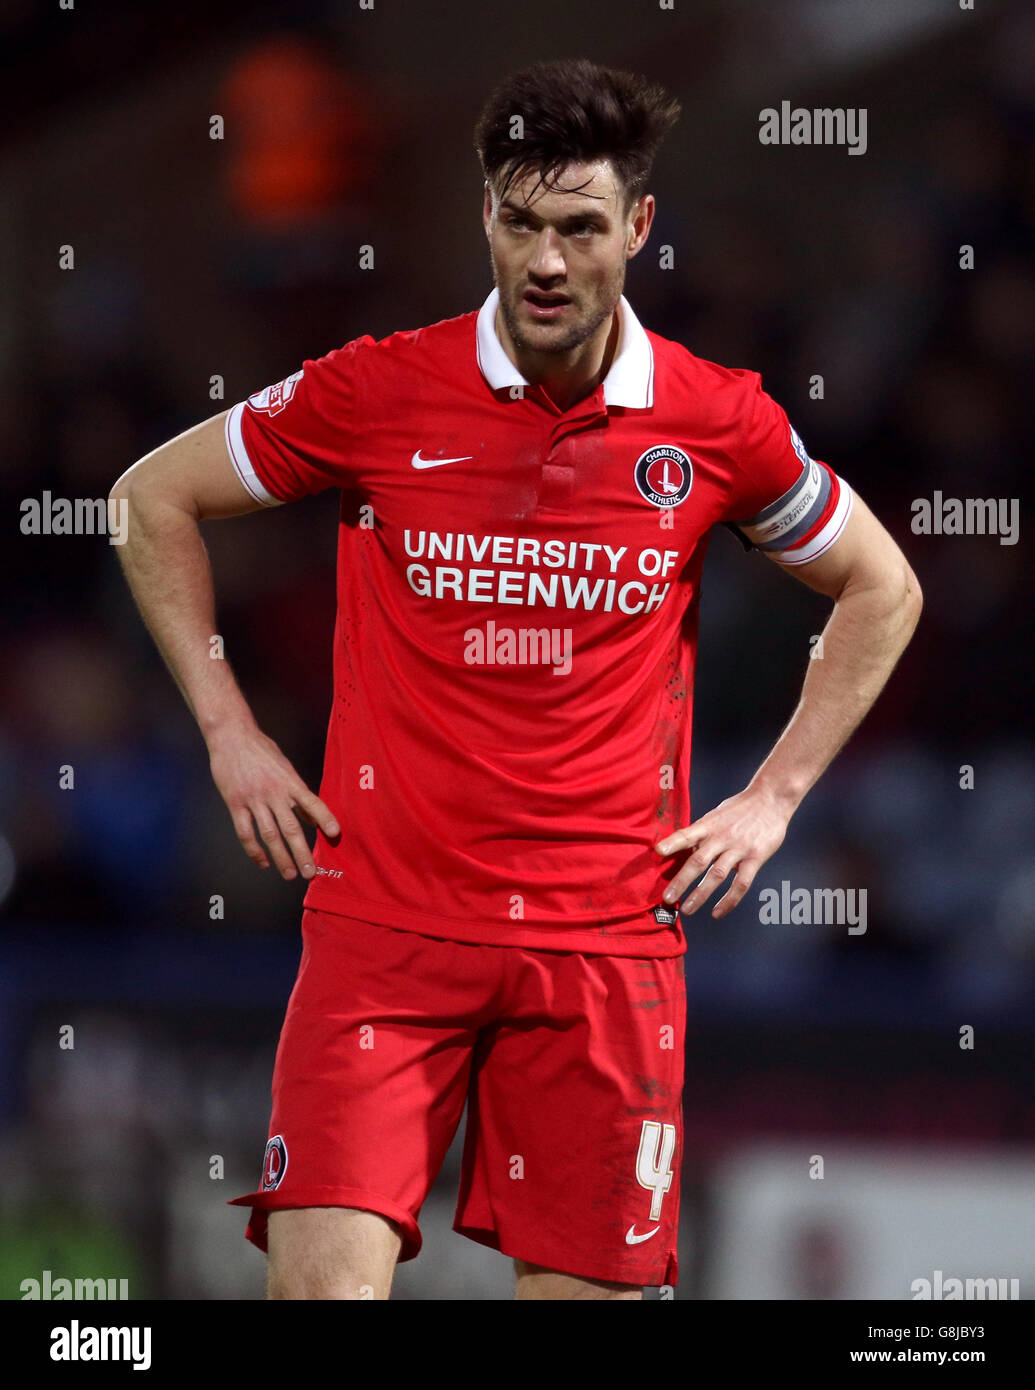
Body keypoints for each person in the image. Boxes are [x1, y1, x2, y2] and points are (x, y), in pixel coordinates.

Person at [109, 57, 922, 1301]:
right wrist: (230, 728)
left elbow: (883, 586)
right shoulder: (377, 388)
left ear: (637, 228)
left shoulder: (717, 421)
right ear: (486, 214)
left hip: (603, 945)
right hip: (386, 930)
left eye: (581, 228)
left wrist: (775, 797)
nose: (547, 261)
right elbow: (148, 499)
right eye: (522, 222)